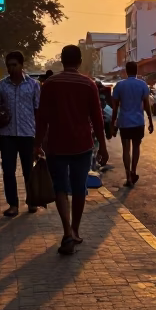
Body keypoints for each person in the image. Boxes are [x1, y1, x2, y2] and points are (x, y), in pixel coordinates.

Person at [34, 44, 107, 255]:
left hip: (56, 144)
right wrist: (102, 145)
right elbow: (97, 118)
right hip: (82, 144)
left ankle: (66, 231)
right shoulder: (88, 84)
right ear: (80, 61)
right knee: (78, 188)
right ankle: (75, 230)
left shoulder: (50, 84)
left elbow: (42, 118)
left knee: (60, 188)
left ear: (62, 60)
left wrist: (37, 143)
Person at [0, 50, 41, 217]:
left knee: (29, 170)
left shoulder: (33, 85)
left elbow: (38, 110)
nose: (12, 68)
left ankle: (32, 201)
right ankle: (13, 204)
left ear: (21, 65)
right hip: (7, 134)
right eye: (9, 65)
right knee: (9, 170)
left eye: (15, 65)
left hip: (27, 133)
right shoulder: (2, 85)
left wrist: (40, 138)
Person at [111, 61, 153, 188]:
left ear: (125, 71)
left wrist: (113, 124)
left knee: (126, 149)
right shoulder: (142, 85)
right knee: (136, 148)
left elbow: (115, 107)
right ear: (137, 71)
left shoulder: (119, 85)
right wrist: (150, 121)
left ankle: (128, 176)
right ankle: (134, 171)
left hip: (124, 122)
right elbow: (146, 105)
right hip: (138, 122)